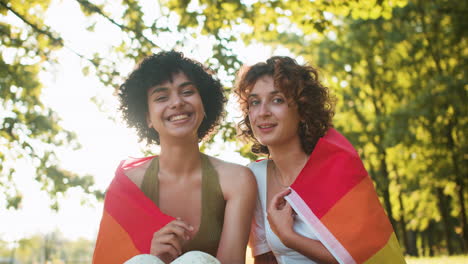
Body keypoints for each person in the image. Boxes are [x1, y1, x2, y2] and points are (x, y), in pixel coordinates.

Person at [235, 56, 406, 264]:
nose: (263, 112)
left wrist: (290, 238)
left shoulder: (337, 167)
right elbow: (264, 260)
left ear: (303, 109)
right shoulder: (254, 177)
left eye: (277, 100)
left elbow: (369, 259)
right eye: (254, 102)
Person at [93, 51, 257, 264]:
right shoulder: (129, 183)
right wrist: (155, 256)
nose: (177, 102)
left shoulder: (236, 179)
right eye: (162, 97)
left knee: (195, 261)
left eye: (187, 92)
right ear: (147, 117)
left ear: (204, 104)